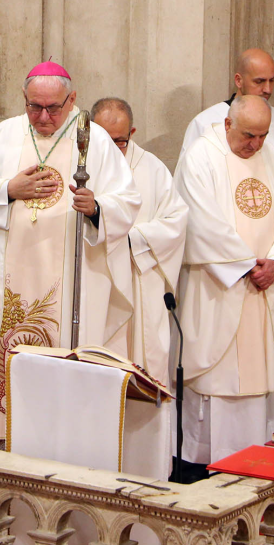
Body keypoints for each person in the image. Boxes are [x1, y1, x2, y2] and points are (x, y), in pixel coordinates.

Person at [0, 61, 141, 439]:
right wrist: (6, 190)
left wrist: (97, 208)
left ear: (72, 99)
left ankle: (62, 438)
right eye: (33, 106)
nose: (42, 116)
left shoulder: (95, 140)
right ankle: (2, 437)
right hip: (9, 271)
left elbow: (128, 200)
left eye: (53, 108)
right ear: (23, 99)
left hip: (73, 275)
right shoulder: (2, 136)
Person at [173, 95, 274, 475]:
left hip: (262, 291)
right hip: (219, 289)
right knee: (217, 381)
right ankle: (206, 469)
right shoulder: (200, 157)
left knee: (258, 383)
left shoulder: (272, 155)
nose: (255, 144)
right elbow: (200, 222)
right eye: (248, 135)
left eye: (262, 135)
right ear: (228, 124)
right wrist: (246, 267)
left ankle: (257, 465)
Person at [90, 98, 188, 387]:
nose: (110, 148)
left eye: (119, 141)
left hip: (139, 280)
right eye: (103, 139)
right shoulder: (78, 166)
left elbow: (176, 220)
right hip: (97, 280)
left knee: (145, 365)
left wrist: (130, 238)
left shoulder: (152, 168)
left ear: (132, 133)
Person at [180, 48, 274, 210]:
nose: (268, 89)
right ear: (239, 80)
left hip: (269, 224)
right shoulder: (205, 122)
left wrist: (264, 211)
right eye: (259, 81)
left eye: (272, 81)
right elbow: (189, 181)